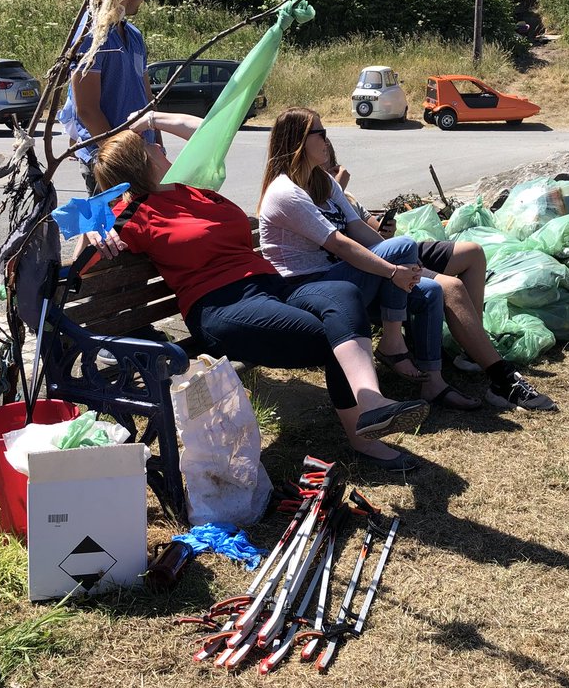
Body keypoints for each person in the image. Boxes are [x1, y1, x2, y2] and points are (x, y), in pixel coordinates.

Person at [87, 113, 429, 473]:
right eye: (148, 145)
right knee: (329, 336)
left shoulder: (190, 188)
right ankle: (365, 438)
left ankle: (371, 402)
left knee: (343, 293)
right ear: (140, 164)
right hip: (222, 306)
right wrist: (94, 225)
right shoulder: (133, 214)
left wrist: (151, 120)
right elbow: (80, 268)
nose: (157, 143)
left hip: (270, 286)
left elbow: (212, 131)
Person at [257, 109, 473, 410]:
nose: (326, 139)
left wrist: (401, 263)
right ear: (298, 141)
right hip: (305, 286)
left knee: (431, 290)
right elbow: (340, 244)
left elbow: (358, 227)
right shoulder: (285, 193)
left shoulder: (322, 182)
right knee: (402, 249)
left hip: (337, 275)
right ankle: (392, 342)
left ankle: (432, 383)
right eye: (319, 132)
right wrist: (393, 268)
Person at [322, 138, 558, 412]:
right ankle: (500, 377)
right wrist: (338, 185)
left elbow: (375, 233)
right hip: (376, 265)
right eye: (326, 156)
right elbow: (341, 244)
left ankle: (471, 345)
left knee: (473, 252)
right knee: (450, 287)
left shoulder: (343, 197)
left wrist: (386, 229)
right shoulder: (312, 195)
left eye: (332, 158)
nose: (332, 164)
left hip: (394, 252)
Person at [63, 0, 153, 195]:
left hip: (139, 157)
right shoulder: (92, 36)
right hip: (110, 161)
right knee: (105, 231)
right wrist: (120, 158)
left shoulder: (134, 35)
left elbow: (146, 98)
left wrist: (156, 148)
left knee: (130, 231)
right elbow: (87, 109)